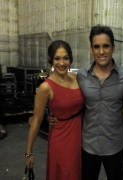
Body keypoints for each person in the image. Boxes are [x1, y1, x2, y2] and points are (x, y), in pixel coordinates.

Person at [48, 25, 123, 180]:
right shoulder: (81, 76)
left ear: (113, 48)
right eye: (97, 47)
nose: (101, 52)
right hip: (88, 146)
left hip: (115, 146)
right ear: (91, 49)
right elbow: (66, 97)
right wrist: (52, 114)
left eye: (106, 46)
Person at [25, 40, 84, 180]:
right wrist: (29, 152)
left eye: (66, 58)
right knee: (65, 174)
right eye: (57, 58)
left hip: (80, 136)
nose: (62, 63)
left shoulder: (77, 78)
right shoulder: (46, 87)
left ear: (71, 59)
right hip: (61, 140)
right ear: (50, 59)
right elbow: (36, 121)